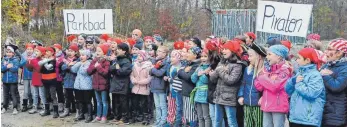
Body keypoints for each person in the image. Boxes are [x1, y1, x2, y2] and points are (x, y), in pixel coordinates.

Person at [209, 41, 247, 127]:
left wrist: (219, 70)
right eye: (223, 49)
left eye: (226, 49)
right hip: (218, 97)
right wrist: (219, 70)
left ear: (233, 51)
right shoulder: (222, 62)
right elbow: (212, 79)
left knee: (231, 122)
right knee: (217, 121)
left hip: (229, 99)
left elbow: (231, 80)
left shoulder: (238, 65)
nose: (223, 51)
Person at [285, 48, 326, 127]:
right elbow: (288, 91)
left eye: (299, 58)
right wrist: (292, 81)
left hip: (308, 120)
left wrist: (299, 83)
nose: (296, 60)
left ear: (307, 60)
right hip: (295, 117)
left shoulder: (315, 75)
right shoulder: (299, 73)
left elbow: (311, 93)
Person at [255, 45, 292, 127]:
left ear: (278, 57)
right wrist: (263, 76)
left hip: (278, 107)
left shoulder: (285, 70)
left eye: (269, 54)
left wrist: (262, 77)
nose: (267, 57)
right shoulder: (268, 69)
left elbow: (275, 87)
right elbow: (259, 86)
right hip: (266, 105)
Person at [238, 44, 266, 127]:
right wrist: (240, 96)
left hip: (258, 104)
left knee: (258, 124)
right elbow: (243, 83)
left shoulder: (265, 71)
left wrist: (263, 97)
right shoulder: (247, 69)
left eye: (250, 56)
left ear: (259, 57)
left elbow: (266, 88)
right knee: (249, 124)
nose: (248, 58)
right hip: (247, 103)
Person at [321, 38, 347, 127]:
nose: (326, 52)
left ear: (339, 53)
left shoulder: (345, 68)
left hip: (336, 113)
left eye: (329, 49)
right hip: (323, 110)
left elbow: (337, 86)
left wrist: (326, 76)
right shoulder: (327, 65)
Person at [109, 43, 132, 125]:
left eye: (119, 49)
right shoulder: (117, 59)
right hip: (115, 84)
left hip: (123, 84)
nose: (117, 50)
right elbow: (110, 68)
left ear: (124, 51)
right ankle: (117, 116)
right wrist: (116, 68)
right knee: (115, 101)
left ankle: (125, 118)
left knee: (123, 102)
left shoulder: (127, 61)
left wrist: (115, 69)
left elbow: (123, 72)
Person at [178, 47, 201, 126]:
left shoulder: (196, 65)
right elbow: (179, 73)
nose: (187, 54)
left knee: (191, 114)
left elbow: (188, 77)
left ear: (195, 55)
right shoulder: (189, 63)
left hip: (190, 93)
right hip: (185, 92)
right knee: (187, 113)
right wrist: (183, 71)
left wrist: (182, 71)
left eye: (189, 53)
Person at [88, 44, 111, 123]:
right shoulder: (94, 60)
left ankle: (104, 116)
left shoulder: (106, 62)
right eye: (96, 51)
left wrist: (98, 67)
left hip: (103, 85)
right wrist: (94, 66)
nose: (97, 52)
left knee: (104, 101)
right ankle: (98, 116)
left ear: (104, 52)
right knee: (98, 101)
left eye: (99, 51)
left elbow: (105, 73)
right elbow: (89, 71)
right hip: (95, 84)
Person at [130, 50, 153, 125]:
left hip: (144, 88)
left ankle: (146, 118)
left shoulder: (148, 66)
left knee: (144, 104)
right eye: (138, 56)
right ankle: (135, 117)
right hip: (136, 87)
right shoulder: (134, 65)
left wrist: (140, 82)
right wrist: (133, 80)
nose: (138, 57)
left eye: (140, 56)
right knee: (135, 103)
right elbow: (132, 75)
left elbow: (149, 78)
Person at [70, 49, 93, 123]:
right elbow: (73, 69)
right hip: (78, 85)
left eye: (83, 55)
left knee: (87, 101)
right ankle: (81, 114)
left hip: (86, 85)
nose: (81, 57)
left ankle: (89, 115)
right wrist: (79, 63)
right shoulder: (79, 63)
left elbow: (84, 72)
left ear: (87, 56)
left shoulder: (89, 63)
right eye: (81, 55)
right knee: (79, 100)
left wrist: (79, 64)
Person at [191, 48, 212, 127]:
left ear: (209, 57)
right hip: (198, 94)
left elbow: (205, 80)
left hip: (205, 94)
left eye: (205, 56)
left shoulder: (210, 68)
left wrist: (202, 73)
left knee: (206, 116)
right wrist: (197, 74)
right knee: (199, 116)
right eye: (202, 56)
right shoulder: (199, 67)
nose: (203, 58)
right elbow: (193, 79)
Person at [150, 46, 170, 126]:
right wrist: (153, 68)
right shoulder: (156, 61)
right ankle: (158, 120)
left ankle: (163, 120)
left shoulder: (166, 63)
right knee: (157, 106)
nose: (159, 53)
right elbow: (150, 72)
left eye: (161, 51)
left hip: (161, 86)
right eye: (158, 51)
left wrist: (153, 68)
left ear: (165, 54)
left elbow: (160, 73)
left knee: (162, 105)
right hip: (154, 86)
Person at [26, 46, 47, 115]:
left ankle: (45, 107)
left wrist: (33, 62)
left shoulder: (43, 60)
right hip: (34, 78)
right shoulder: (33, 59)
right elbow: (30, 69)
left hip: (41, 79)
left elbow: (38, 69)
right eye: (35, 51)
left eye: (37, 51)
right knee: (34, 94)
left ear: (42, 53)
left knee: (42, 94)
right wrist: (28, 62)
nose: (35, 53)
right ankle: (35, 107)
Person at [164, 50, 183, 127]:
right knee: (171, 106)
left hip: (178, 90)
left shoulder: (181, 67)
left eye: (173, 57)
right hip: (171, 90)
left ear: (178, 58)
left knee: (179, 107)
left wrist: (169, 79)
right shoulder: (170, 66)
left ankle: (180, 122)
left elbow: (177, 80)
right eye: (170, 56)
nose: (171, 58)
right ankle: (170, 121)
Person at [59, 44, 79, 118]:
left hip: (75, 81)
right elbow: (62, 67)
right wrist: (69, 65)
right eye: (69, 51)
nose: (69, 52)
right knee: (67, 96)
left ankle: (78, 111)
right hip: (67, 80)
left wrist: (69, 67)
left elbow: (75, 70)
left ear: (76, 52)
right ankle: (66, 110)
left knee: (77, 97)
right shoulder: (65, 59)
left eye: (72, 51)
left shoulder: (78, 60)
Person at [1, 45, 20, 115]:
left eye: (10, 52)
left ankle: (15, 108)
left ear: (13, 53)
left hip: (13, 81)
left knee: (13, 94)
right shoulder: (3, 59)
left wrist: (8, 67)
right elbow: (2, 69)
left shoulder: (15, 60)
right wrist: (7, 66)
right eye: (7, 52)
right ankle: (4, 107)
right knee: (5, 95)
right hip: (5, 81)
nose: (8, 54)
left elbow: (15, 69)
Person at [19, 43, 35, 112]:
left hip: (33, 76)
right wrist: (25, 61)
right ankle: (24, 105)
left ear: (33, 50)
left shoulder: (35, 56)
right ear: (26, 50)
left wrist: (32, 61)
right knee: (25, 92)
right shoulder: (23, 56)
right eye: (28, 49)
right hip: (25, 76)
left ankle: (33, 104)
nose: (29, 51)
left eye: (31, 49)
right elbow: (20, 65)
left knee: (32, 91)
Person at [53, 44, 65, 112]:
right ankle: (54, 104)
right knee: (53, 91)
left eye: (56, 48)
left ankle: (61, 104)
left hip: (60, 76)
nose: (55, 50)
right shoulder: (53, 57)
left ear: (59, 49)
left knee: (60, 91)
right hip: (53, 76)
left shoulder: (62, 57)